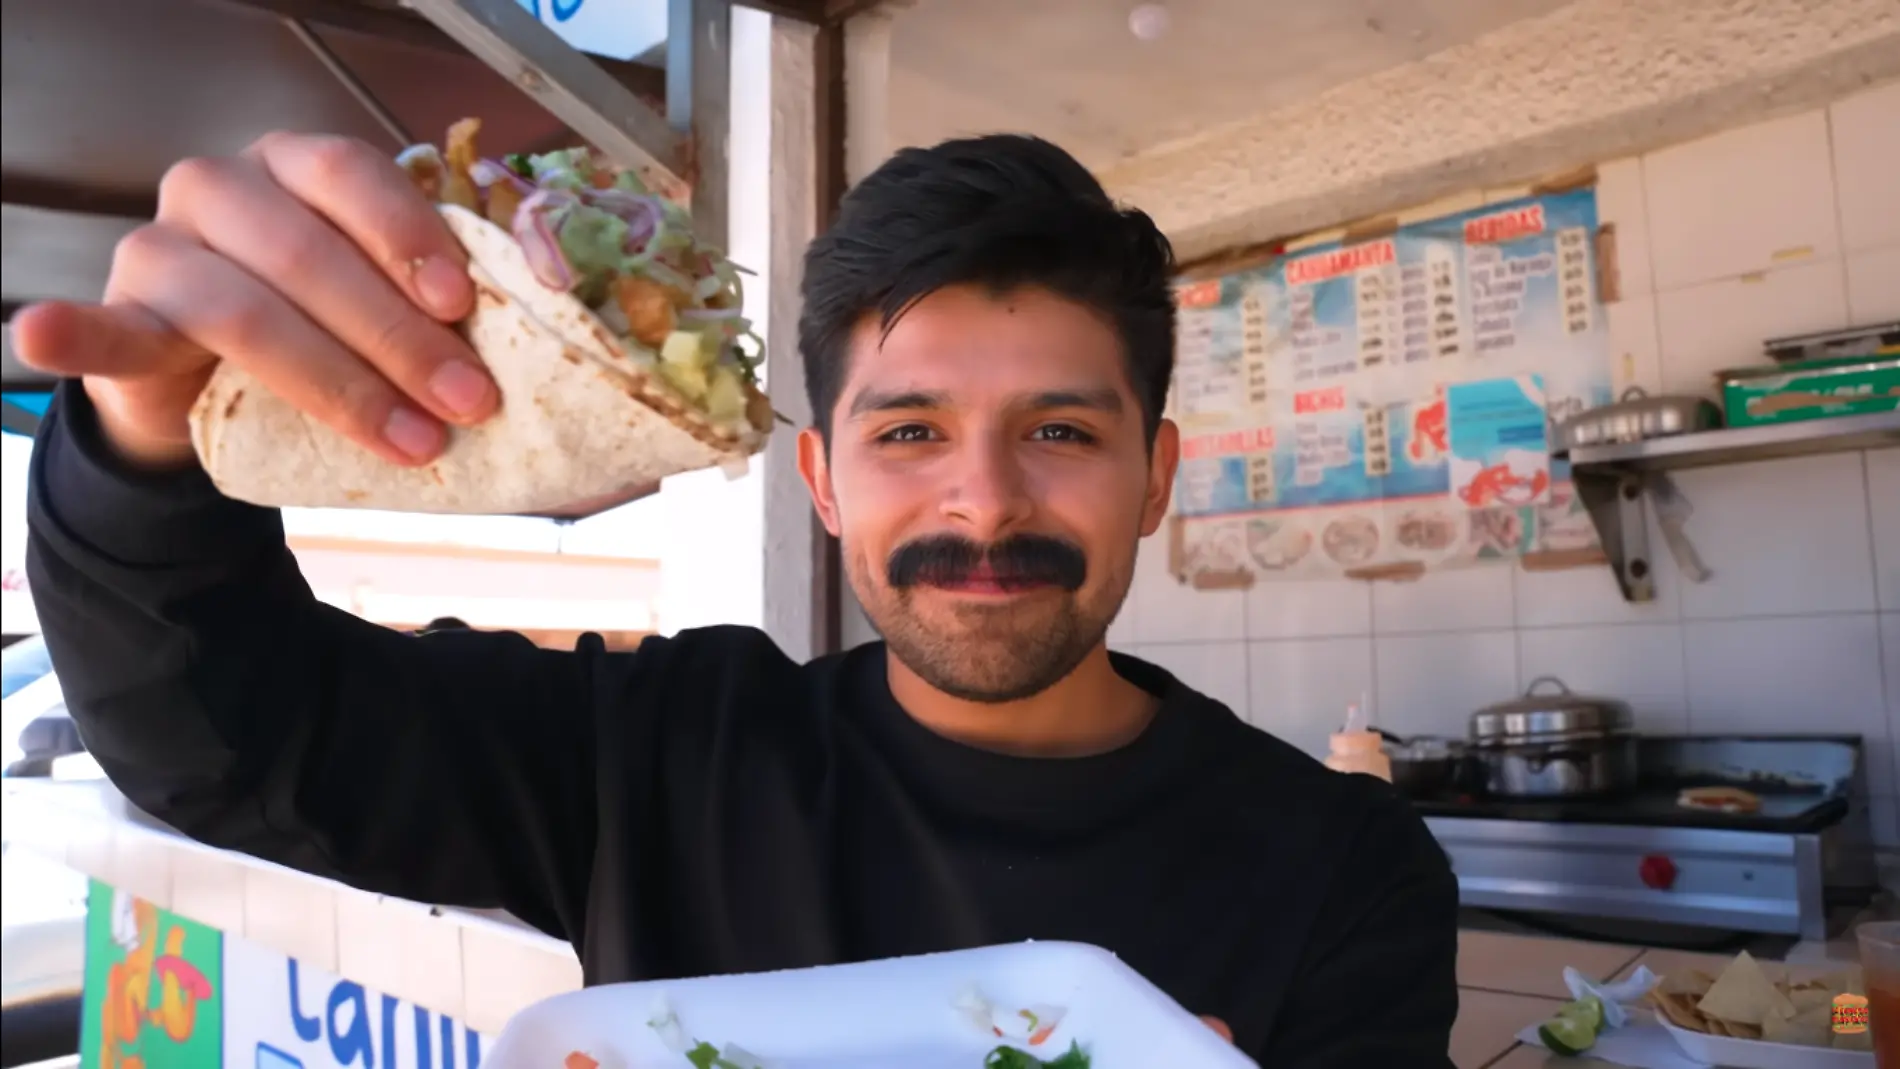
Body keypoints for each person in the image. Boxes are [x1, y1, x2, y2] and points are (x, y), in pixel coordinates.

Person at [12, 131, 1458, 1064]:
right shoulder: (658, 751)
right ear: (822, 482)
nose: (986, 502)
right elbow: (225, 739)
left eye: (1063, 432)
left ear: (1156, 476)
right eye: (909, 434)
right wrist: (147, 442)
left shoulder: (1345, 866)